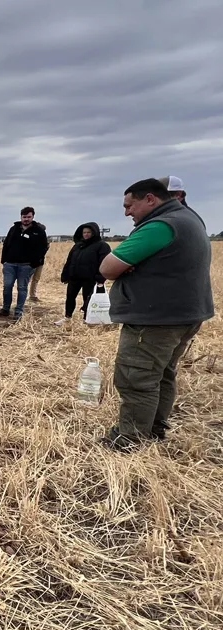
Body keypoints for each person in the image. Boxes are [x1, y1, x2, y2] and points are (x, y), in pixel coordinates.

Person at [98, 179, 213, 451]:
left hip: (155, 320)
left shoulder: (161, 225)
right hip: (184, 316)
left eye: (129, 205)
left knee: (136, 377)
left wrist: (127, 268)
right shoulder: (189, 219)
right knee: (162, 374)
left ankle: (130, 438)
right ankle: (154, 429)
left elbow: (108, 267)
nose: (127, 213)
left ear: (150, 199)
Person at [0, 206, 49, 321]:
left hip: (26, 265)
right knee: (7, 286)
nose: (26, 219)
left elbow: (43, 248)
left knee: (22, 288)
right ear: (21, 217)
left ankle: (18, 311)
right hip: (10, 264)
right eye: (24, 217)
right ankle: (5, 309)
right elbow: (6, 244)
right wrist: (4, 260)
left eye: (29, 217)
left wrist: (34, 263)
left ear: (33, 217)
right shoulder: (14, 229)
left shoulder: (38, 231)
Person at [56, 222, 111, 326]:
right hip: (74, 277)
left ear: (94, 233)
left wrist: (100, 278)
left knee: (88, 299)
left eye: (88, 232)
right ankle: (67, 317)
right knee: (70, 297)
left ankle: (87, 319)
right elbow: (69, 261)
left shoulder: (102, 246)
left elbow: (104, 262)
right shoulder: (77, 246)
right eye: (84, 232)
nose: (86, 234)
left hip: (90, 278)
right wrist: (66, 274)